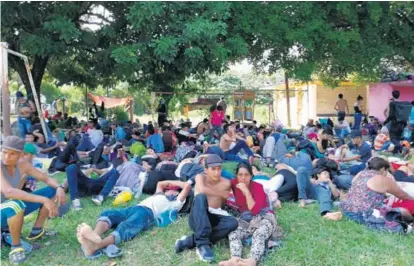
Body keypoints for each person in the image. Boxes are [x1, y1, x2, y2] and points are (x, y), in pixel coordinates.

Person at [76, 180, 191, 258]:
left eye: (172, 190)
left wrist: (178, 184)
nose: (168, 190)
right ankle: (94, 236)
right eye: (168, 189)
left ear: (176, 193)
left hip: (147, 214)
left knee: (125, 227)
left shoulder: (175, 203)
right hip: (135, 208)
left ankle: (96, 246)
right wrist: (169, 184)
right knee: (109, 213)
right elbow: (160, 183)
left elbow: (187, 186)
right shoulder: (159, 194)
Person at [1, 136, 66, 264]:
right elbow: (8, 192)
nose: (7, 157)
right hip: (6, 208)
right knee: (15, 204)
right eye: (4, 152)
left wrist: (59, 187)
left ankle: (36, 230)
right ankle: (16, 248)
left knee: (50, 190)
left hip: (10, 207)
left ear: (21, 155)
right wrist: (43, 200)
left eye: (12, 154)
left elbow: (47, 179)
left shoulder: (23, 165)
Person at [174, 154, 238, 262]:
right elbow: (202, 190)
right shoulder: (200, 177)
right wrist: (221, 194)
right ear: (206, 170)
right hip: (198, 216)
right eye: (213, 169)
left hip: (213, 216)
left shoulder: (226, 183)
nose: (217, 173)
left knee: (233, 222)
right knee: (200, 197)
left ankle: (189, 241)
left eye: (219, 169)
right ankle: (202, 245)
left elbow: (223, 204)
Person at [219, 163, 278, 266]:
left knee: (259, 234)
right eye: (240, 175)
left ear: (251, 176)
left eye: (246, 175)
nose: (243, 178)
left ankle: (252, 261)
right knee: (233, 232)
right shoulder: (234, 184)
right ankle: (235, 259)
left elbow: (254, 210)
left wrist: (246, 191)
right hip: (246, 220)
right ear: (236, 176)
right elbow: (221, 180)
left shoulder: (258, 187)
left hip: (264, 217)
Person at [340, 157, 414, 233]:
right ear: (382, 169)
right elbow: (403, 196)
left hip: (346, 210)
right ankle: (410, 223)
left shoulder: (361, 173)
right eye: (387, 171)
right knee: (401, 219)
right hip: (362, 215)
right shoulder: (383, 179)